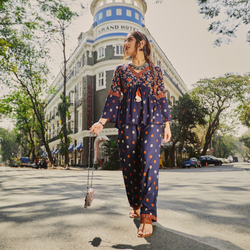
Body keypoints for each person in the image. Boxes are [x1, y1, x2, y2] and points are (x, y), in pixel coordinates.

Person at [90, 31, 171, 238]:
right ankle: (135, 203)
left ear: (141, 43)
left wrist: (167, 124)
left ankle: (147, 215)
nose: (125, 43)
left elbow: (161, 96)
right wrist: (101, 121)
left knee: (149, 165)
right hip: (127, 121)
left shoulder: (155, 71)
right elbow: (113, 96)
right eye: (125, 40)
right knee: (129, 165)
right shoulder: (121, 70)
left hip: (152, 121)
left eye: (129, 40)